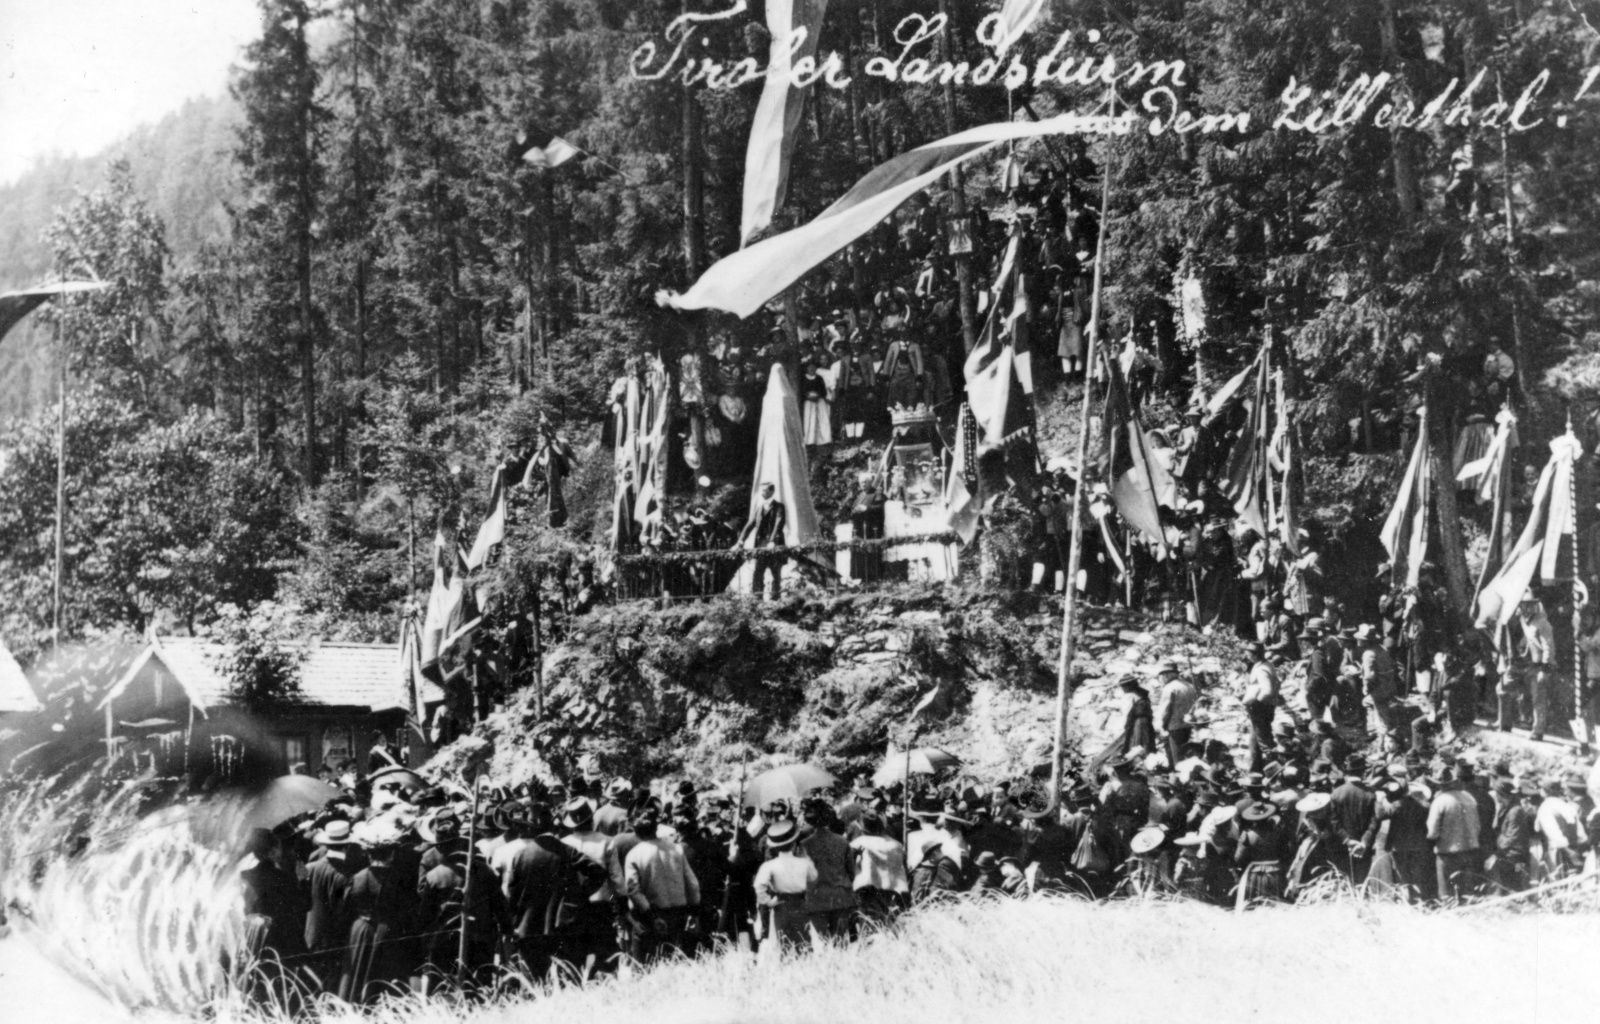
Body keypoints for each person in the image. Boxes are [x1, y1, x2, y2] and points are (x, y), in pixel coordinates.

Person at [502, 803, 608, 978]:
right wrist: (580, 895)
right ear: (552, 824)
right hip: (563, 923)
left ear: (529, 827)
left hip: (530, 926)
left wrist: (513, 922)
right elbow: (598, 872)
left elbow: (512, 893)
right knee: (569, 980)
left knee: (537, 983)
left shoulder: (520, 856)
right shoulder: (566, 850)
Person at [340, 823, 414, 1003]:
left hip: (360, 930)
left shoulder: (357, 877)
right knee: (386, 978)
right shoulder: (398, 878)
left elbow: (346, 908)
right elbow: (407, 910)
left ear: (368, 853)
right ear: (391, 853)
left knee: (357, 974)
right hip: (387, 931)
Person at [623, 811, 701, 962]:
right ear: (655, 829)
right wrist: (694, 913)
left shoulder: (634, 854)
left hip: (651, 917)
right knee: (675, 962)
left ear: (636, 832)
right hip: (679, 914)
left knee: (644, 966)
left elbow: (633, 890)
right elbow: (693, 884)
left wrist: (652, 917)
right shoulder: (676, 849)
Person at [558, 797, 619, 972]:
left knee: (575, 958)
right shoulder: (607, 841)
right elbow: (616, 879)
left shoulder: (564, 844)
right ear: (591, 818)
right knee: (605, 958)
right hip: (601, 905)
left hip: (573, 907)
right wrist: (619, 903)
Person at [304, 819, 360, 991]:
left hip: (310, 932)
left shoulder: (310, 867)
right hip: (332, 938)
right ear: (346, 845)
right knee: (329, 984)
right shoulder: (345, 875)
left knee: (309, 982)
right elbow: (343, 911)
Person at [754, 819, 817, 947]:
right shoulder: (805, 863)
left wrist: (768, 901)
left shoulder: (769, 866)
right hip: (801, 904)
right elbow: (814, 879)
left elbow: (758, 886)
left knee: (783, 943)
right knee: (804, 942)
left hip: (781, 905)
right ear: (794, 844)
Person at [799, 802, 857, 937]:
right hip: (840, 898)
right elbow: (852, 872)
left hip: (815, 899)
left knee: (822, 943)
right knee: (841, 942)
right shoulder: (842, 841)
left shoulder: (804, 845)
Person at [1427, 766, 1482, 901]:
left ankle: (1449, 919)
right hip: (1470, 850)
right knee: (1467, 892)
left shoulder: (1440, 801)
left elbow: (1432, 832)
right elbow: (1478, 826)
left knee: (1447, 894)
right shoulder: (1469, 797)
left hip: (1447, 853)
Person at [849, 813, 909, 923]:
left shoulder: (858, 843)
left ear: (863, 827)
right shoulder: (896, 844)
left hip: (868, 890)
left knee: (869, 923)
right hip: (894, 889)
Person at [739, 482, 788, 599]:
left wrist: (772, 541)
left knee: (776, 573)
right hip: (761, 545)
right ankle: (757, 598)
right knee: (758, 572)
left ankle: (775, 599)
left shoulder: (779, 507)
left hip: (774, 545)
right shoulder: (759, 508)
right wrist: (741, 541)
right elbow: (750, 524)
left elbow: (778, 523)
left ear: (772, 492)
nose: (762, 493)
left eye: (765, 490)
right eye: (761, 491)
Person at [1242, 643, 1282, 772]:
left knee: (1265, 743)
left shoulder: (1262, 669)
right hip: (1264, 709)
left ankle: (1276, 772)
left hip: (1260, 710)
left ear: (1255, 655)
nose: (1246, 656)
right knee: (1255, 739)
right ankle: (1255, 769)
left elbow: (1267, 690)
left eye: (1248, 653)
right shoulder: (1265, 665)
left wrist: (1256, 704)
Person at [1152, 659, 1198, 768]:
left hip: (1174, 727)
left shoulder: (1169, 688)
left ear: (1166, 675)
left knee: (1177, 757)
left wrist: (1160, 727)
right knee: (1186, 752)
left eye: (1161, 676)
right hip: (1188, 725)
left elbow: (1165, 711)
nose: (1161, 679)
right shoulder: (1189, 685)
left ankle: (1179, 779)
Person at [1117, 674, 1157, 758]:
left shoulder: (1130, 696)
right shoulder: (1141, 693)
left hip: (1137, 722)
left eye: (1123, 687)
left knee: (1137, 743)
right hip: (1146, 721)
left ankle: (1139, 761)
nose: (1122, 689)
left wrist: (1126, 726)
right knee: (1146, 741)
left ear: (1127, 686)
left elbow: (1127, 713)